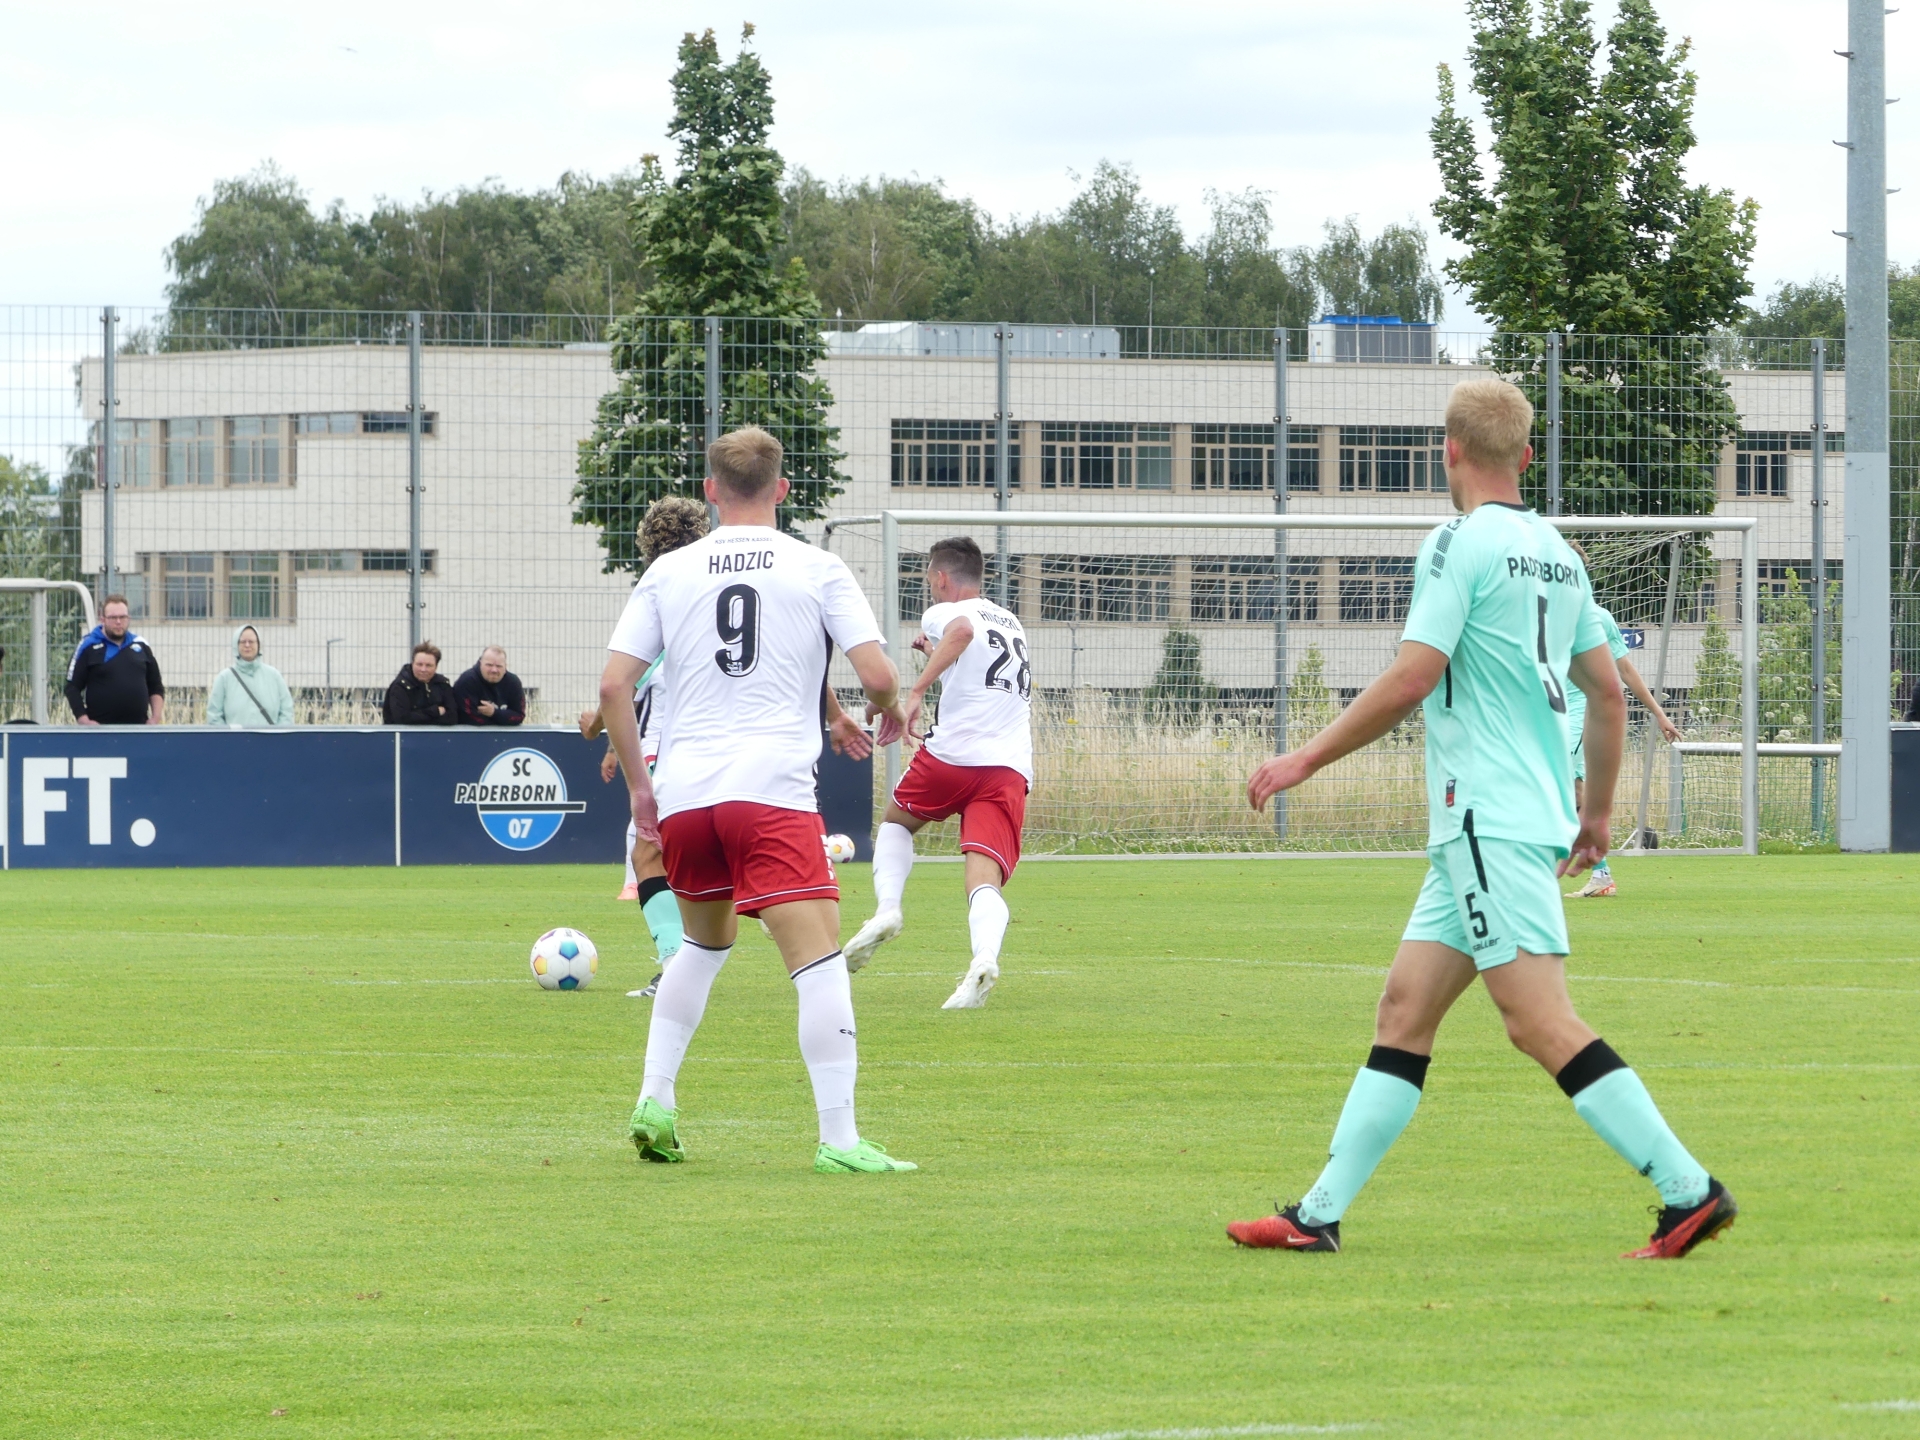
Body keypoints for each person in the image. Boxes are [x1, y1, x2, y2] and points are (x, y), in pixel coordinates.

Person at [1227, 378, 1735, 1261]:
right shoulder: (1560, 554)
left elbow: (1414, 676)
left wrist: (1302, 758)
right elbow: (1607, 695)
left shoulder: (1455, 542)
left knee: (1538, 1021)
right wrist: (1596, 814)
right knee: (1403, 1011)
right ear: (1526, 456)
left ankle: (1688, 1191)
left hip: (1485, 821)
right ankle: (1317, 1215)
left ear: (1449, 450)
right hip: (1513, 820)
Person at [601, 425, 916, 1174]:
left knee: (702, 946)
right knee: (819, 963)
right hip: (771, 792)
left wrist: (642, 792)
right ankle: (840, 1141)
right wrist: (888, 707)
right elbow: (877, 675)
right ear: (783, 489)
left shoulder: (669, 571)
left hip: (686, 796)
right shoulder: (817, 567)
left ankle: (655, 1100)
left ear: (711, 491)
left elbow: (614, 687)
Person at [843, 536, 1033, 1010]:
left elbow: (962, 631)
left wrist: (914, 693)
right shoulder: (1010, 622)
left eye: (930, 577)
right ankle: (984, 959)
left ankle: (888, 910)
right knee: (983, 878)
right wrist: (934, 654)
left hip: (954, 755)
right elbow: (975, 660)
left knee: (895, 824)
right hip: (1008, 766)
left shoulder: (945, 612)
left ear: (942, 577)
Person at [1560, 549, 1681, 898]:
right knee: (1568, 790)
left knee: (1569, 789)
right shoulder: (1544, 614)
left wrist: (1659, 714)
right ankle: (1597, 872)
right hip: (1553, 711)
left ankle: (1595, 870)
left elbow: (1625, 670)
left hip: (1581, 713)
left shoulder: (1596, 618)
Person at [65, 595, 164, 725]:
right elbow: (72, 687)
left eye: (122, 617)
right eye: (113, 618)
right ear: (103, 619)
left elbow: (155, 686)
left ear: (129, 618)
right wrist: (84, 720)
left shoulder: (141, 645)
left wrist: (155, 718)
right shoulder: (88, 645)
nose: (118, 622)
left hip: (138, 729)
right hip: (100, 730)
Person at [206, 625, 294, 727]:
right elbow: (214, 716)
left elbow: (287, 712)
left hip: (269, 737)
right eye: (243, 642)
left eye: (251, 641)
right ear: (236, 645)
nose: (247, 645)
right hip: (236, 737)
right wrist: (229, 735)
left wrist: (277, 734)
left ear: (259, 644)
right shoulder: (224, 678)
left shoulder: (274, 676)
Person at [383, 642, 456, 725]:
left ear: (436, 666)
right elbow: (402, 718)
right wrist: (435, 712)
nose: (423, 669)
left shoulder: (442, 684)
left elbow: (452, 717)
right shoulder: (400, 686)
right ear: (412, 664)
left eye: (428, 665)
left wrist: (419, 717)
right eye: (419, 664)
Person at [453, 647, 526, 726]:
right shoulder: (467, 681)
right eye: (489, 665)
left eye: (499, 666)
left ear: (505, 667)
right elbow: (467, 718)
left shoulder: (513, 682)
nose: (494, 670)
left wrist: (494, 713)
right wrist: (502, 719)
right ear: (480, 663)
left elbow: (519, 716)